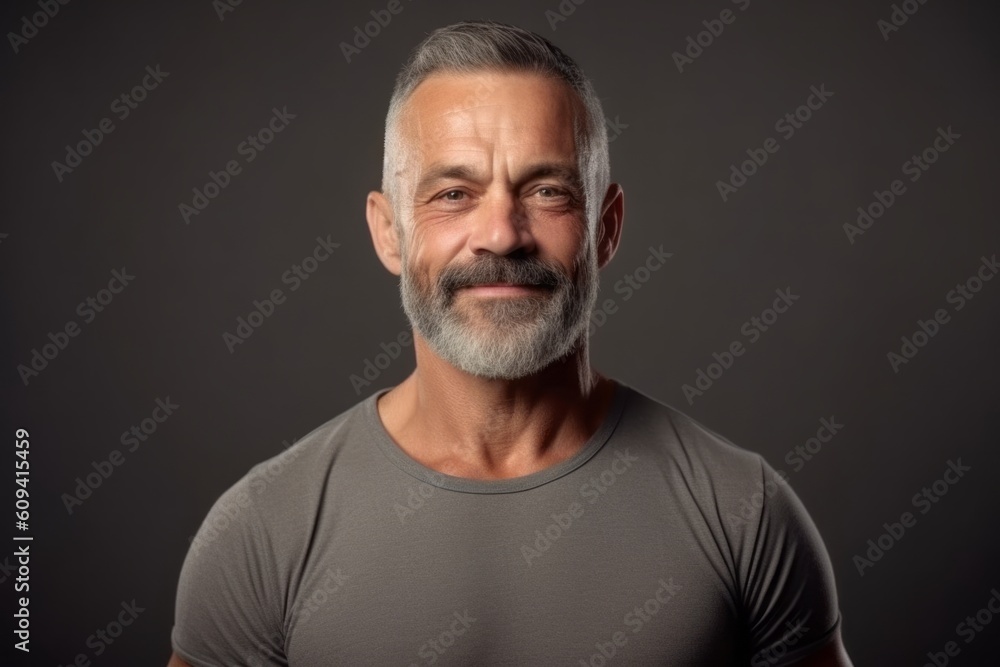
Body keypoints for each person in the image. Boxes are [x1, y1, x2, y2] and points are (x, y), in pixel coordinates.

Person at [168, 20, 853, 666]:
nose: (502, 233)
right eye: (454, 193)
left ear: (607, 228)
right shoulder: (262, 529)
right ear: (388, 232)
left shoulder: (744, 514)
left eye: (548, 189)